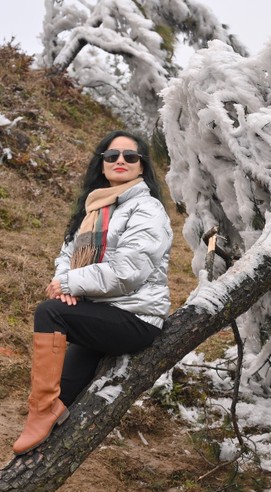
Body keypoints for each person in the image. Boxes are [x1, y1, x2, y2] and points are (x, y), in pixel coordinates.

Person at [12, 130, 172, 455]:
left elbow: (129, 270)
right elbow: (67, 255)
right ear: (102, 165)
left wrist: (70, 285)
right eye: (112, 156)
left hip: (134, 318)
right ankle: (46, 419)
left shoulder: (147, 209)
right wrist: (66, 285)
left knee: (49, 312)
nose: (121, 161)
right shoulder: (95, 208)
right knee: (62, 394)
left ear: (142, 166)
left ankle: (40, 410)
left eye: (130, 156)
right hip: (99, 313)